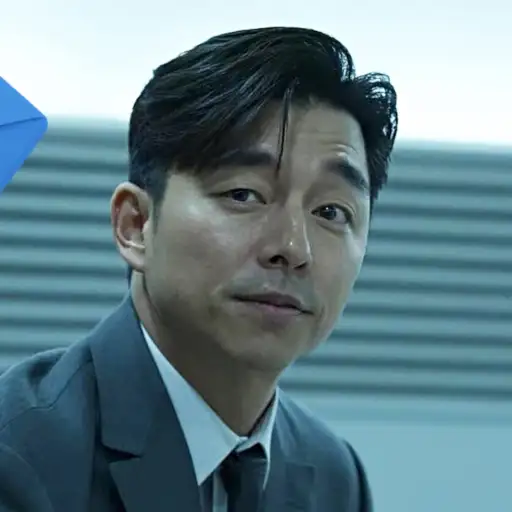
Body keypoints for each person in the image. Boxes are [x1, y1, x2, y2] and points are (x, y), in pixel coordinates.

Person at [0, 26, 397, 512]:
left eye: (331, 211)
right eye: (244, 195)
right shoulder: (18, 455)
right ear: (136, 225)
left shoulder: (335, 477)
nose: (294, 248)